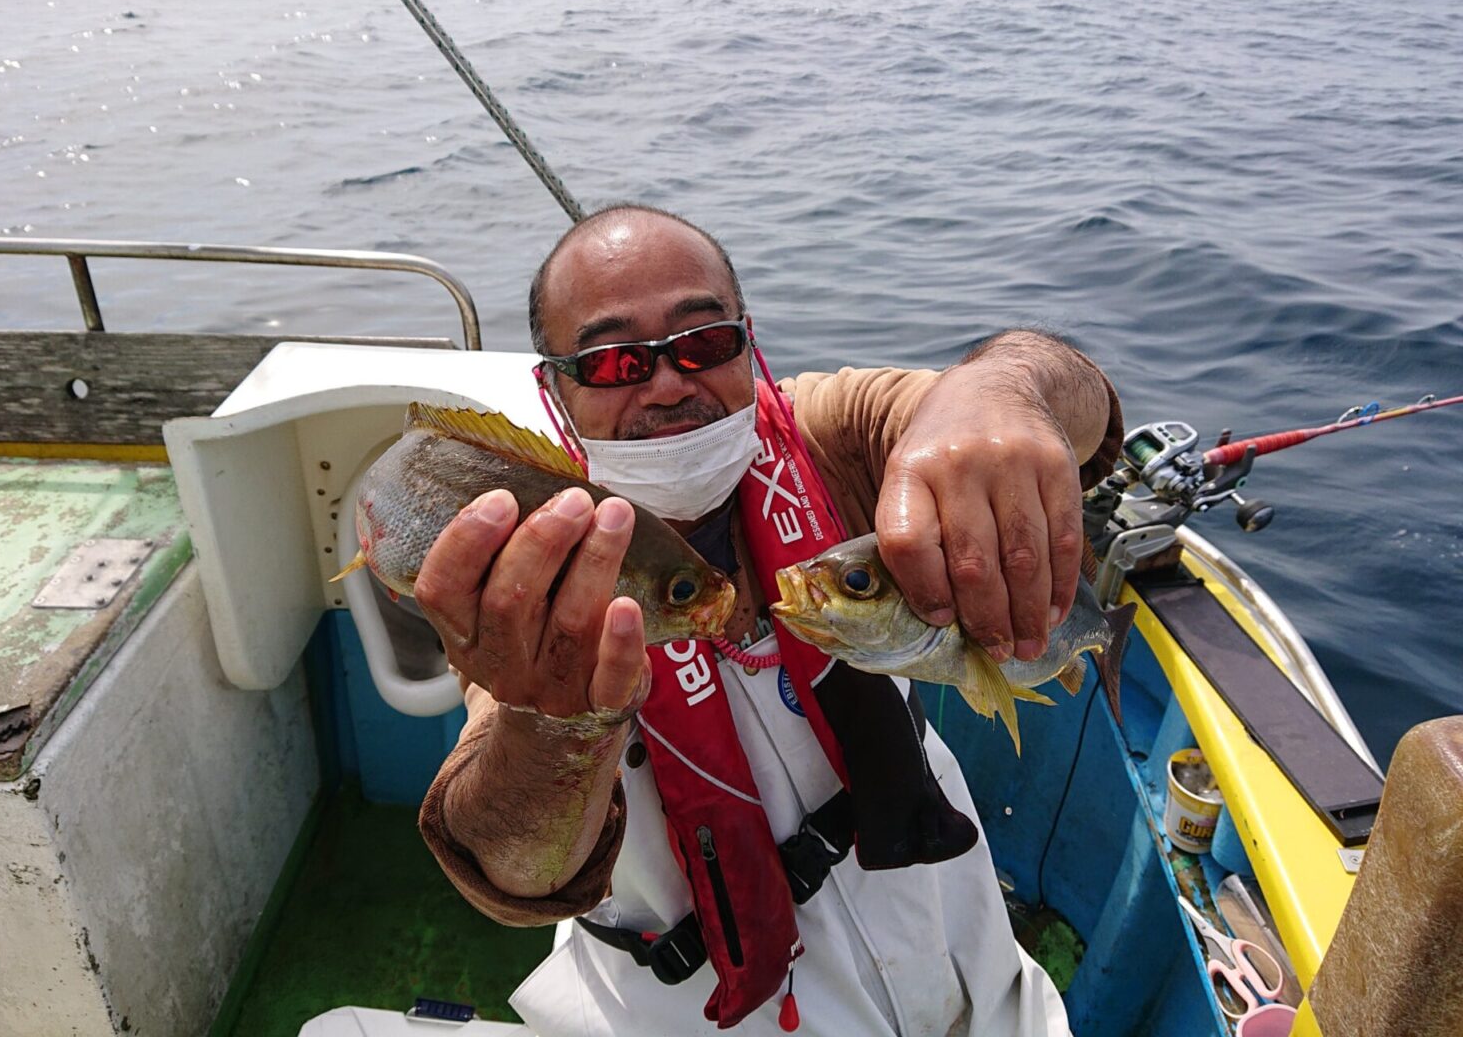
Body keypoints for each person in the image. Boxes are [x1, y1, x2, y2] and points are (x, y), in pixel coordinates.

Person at [416, 204, 1123, 1037]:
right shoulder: (537, 554)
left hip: (952, 942)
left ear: (748, 343)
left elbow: (1076, 408)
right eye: (611, 363)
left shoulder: (834, 433)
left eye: (704, 341)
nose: (669, 383)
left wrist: (1005, 387)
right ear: (555, 391)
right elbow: (515, 872)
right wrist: (551, 729)